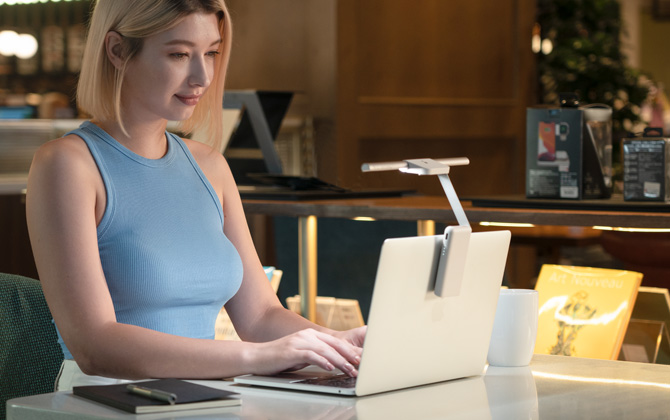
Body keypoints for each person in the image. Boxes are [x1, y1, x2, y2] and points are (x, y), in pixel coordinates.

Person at [26, 0, 365, 391]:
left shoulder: (210, 166)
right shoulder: (67, 165)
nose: (202, 76)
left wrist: (338, 345)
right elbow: (94, 345)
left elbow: (260, 317)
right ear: (117, 50)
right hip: (110, 402)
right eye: (179, 54)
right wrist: (255, 357)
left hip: (207, 397)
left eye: (212, 53)